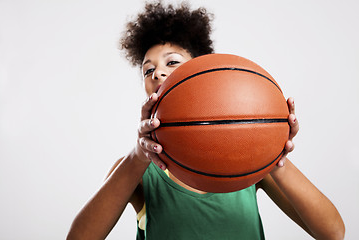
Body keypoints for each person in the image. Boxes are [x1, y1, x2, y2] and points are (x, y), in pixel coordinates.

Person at [67, 1, 345, 239]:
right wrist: (138, 156)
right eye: (147, 70)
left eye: (172, 62)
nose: (157, 73)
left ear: (204, 74)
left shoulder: (247, 161)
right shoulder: (138, 169)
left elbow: (333, 233)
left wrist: (275, 156)